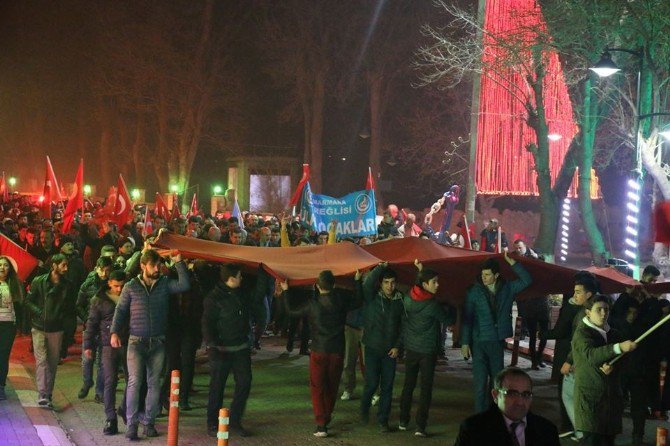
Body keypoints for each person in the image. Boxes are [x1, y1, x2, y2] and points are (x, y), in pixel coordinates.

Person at [110, 248, 189, 440]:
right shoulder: (131, 286)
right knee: (135, 383)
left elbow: (184, 285)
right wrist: (114, 332)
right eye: (153, 265)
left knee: (154, 384)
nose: (157, 268)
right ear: (143, 266)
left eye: (159, 265)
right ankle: (131, 425)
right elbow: (120, 311)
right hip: (136, 342)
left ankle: (149, 423)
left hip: (158, 342)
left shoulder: (164, 284)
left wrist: (178, 262)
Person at [281, 270, 363, 438]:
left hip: (318, 350)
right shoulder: (341, 301)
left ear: (317, 286)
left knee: (317, 387)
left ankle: (321, 423)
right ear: (333, 285)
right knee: (332, 386)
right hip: (337, 351)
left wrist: (286, 290)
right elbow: (358, 300)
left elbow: (290, 310)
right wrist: (357, 281)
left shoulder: (312, 305)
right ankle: (326, 417)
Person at [202, 263, 267, 438]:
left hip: (241, 348)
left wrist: (263, 274)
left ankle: (235, 421)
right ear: (231, 278)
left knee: (244, 383)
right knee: (217, 387)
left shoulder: (242, 293)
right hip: (221, 350)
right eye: (239, 276)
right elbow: (207, 324)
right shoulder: (214, 298)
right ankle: (213, 422)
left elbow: (258, 296)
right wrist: (212, 346)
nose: (242, 278)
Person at [461, 252, 531, 413]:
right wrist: (465, 343)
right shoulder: (474, 291)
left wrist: (513, 263)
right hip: (479, 342)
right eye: (482, 274)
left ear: (496, 275)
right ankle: (480, 417)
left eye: (487, 275)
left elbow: (527, 280)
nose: (484, 278)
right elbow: (467, 318)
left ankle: (494, 416)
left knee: (497, 383)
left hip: (497, 341)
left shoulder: (507, 288)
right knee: (479, 384)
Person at [398, 261, 456, 437]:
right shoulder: (432, 305)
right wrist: (453, 305)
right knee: (425, 388)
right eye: (434, 282)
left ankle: (403, 420)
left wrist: (420, 271)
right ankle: (420, 426)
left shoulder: (409, 298)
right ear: (425, 285)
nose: (438, 285)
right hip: (427, 350)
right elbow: (449, 321)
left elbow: (417, 286)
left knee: (408, 385)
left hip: (411, 348)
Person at [571, 294, 637, 446]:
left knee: (608, 441)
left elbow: (623, 361)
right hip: (591, 400)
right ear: (588, 312)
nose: (603, 313)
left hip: (611, 401)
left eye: (606, 310)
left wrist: (615, 365)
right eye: (598, 309)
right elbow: (591, 355)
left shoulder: (614, 334)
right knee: (592, 440)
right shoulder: (582, 333)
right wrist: (618, 347)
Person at [544, 273, 596, 436]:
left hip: (571, 355)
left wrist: (544, 334)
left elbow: (575, 339)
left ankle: (575, 428)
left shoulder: (580, 312)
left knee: (569, 394)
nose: (575, 294)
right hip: (581, 357)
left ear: (588, 293)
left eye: (578, 290)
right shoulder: (592, 308)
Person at [454, 367, 560, 446]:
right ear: (495, 395)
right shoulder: (474, 429)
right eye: (512, 394)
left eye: (526, 394)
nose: (520, 401)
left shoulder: (547, 430)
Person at [358, 263, 404, 433]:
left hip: (390, 352)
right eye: (386, 282)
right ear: (381, 283)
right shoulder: (372, 296)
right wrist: (379, 267)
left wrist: (398, 346)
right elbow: (368, 284)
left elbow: (403, 326)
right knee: (371, 384)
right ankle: (364, 409)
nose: (390, 286)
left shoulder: (400, 300)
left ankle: (383, 420)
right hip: (371, 347)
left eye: (392, 282)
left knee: (388, 387)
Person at [24, 254, 72, 408]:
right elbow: (28, 301)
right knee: (42, 361)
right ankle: (43, 394)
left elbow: (71, 308)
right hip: (39, 327)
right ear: (54, 265)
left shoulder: (67, 285)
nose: (66, 268)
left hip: (57, 329)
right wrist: (40, 312)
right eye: (63, 265)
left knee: (52, 363)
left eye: (67, 265)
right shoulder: (39, 281)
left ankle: (48, 394)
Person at [83, 270, 127, 435]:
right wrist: (88, 346)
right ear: (109, 283)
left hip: (128, 342)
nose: (119, 289)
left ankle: (124, 408)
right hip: (107, 345)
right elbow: (92, 323)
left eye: (122, 286)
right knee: (110, 381)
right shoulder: (99, 300)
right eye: (116, 286)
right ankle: (111, 418)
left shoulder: (128, 295)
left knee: (133, 381)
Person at [76, 256, 114, 401]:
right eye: (102, 270)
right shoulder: (88, 284)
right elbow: (78, 304)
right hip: (91, 327)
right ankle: (87, 382)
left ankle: (100, 392)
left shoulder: (112, 286)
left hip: (106, 329)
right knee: (87, 359)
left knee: (102, 362)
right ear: (96, 268)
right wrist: (87, 318)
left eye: (107, 270)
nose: (104, 273)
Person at [0, 256, 24, 401]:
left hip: (8, 325)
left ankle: (1, 386)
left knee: (3, 356)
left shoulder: (14, 284)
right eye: (0, 265)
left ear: (10, 269)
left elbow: (20, 306)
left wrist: (20, 326)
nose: (2, 267)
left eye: (5, 265)